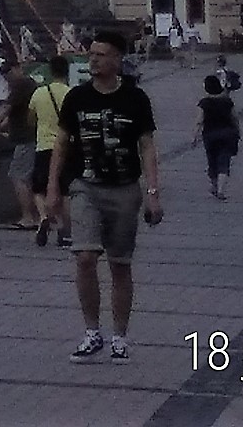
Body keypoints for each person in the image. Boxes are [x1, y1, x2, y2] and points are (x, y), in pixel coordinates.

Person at [46, 29, 161, 363]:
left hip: (125, 190)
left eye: (100, 54)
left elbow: (147, 146)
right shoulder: (77, 98)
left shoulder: (136, 99)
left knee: (120, 266)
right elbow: (61, 143)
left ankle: (119, 336)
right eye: (91, 54)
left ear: (117, 60)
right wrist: (53, 188)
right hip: (85, 187)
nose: (92, 59)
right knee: (84, 257)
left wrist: (153, 193)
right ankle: (92, 332)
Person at [28, 65, 73, 247]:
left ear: (50, 73)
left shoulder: (39, 93)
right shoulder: (71, 93)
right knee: (65, 192)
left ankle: (44, 216)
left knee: (38, 189)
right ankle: (65, 230)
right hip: (66, 148)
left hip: (43, 146)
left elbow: (30, 119)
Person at [195, 74, 238, 199]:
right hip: (227, 134)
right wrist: (238, 131)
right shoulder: (227, 101)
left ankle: (214, 185)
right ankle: (220, 190)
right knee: (224, 161)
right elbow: (235, 118)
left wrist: (195, 135)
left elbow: (199, 120)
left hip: (210, 135)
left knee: (212, 161)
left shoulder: (204, 103)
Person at [5, 75, 40, 229]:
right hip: (33, 138)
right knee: (30, 179)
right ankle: (39, 216)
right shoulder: (31, 87)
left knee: (18, 176)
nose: (6, 77)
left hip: (25, 140)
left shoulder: (20, 84)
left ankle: (28, 217)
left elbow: (5, 109)